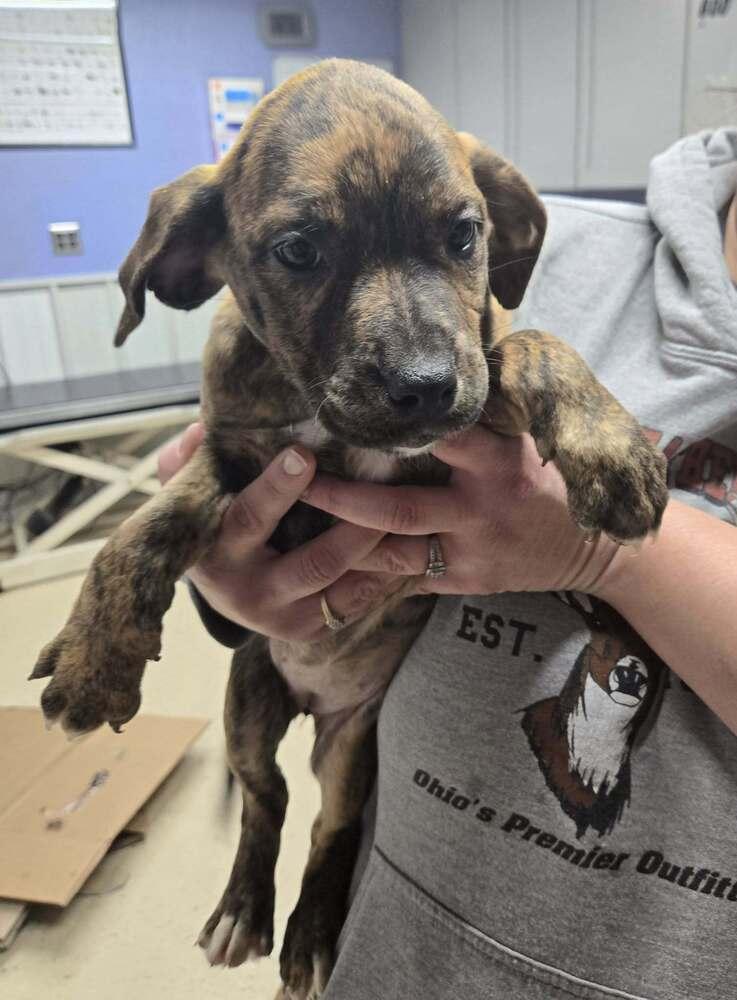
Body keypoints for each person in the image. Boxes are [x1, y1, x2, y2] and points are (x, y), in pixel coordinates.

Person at [159, 128, 737, 999]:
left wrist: (601, 555)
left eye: (456, 242)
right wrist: (239, 581)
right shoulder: (506, 234)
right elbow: (255, 509)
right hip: (394, 920)